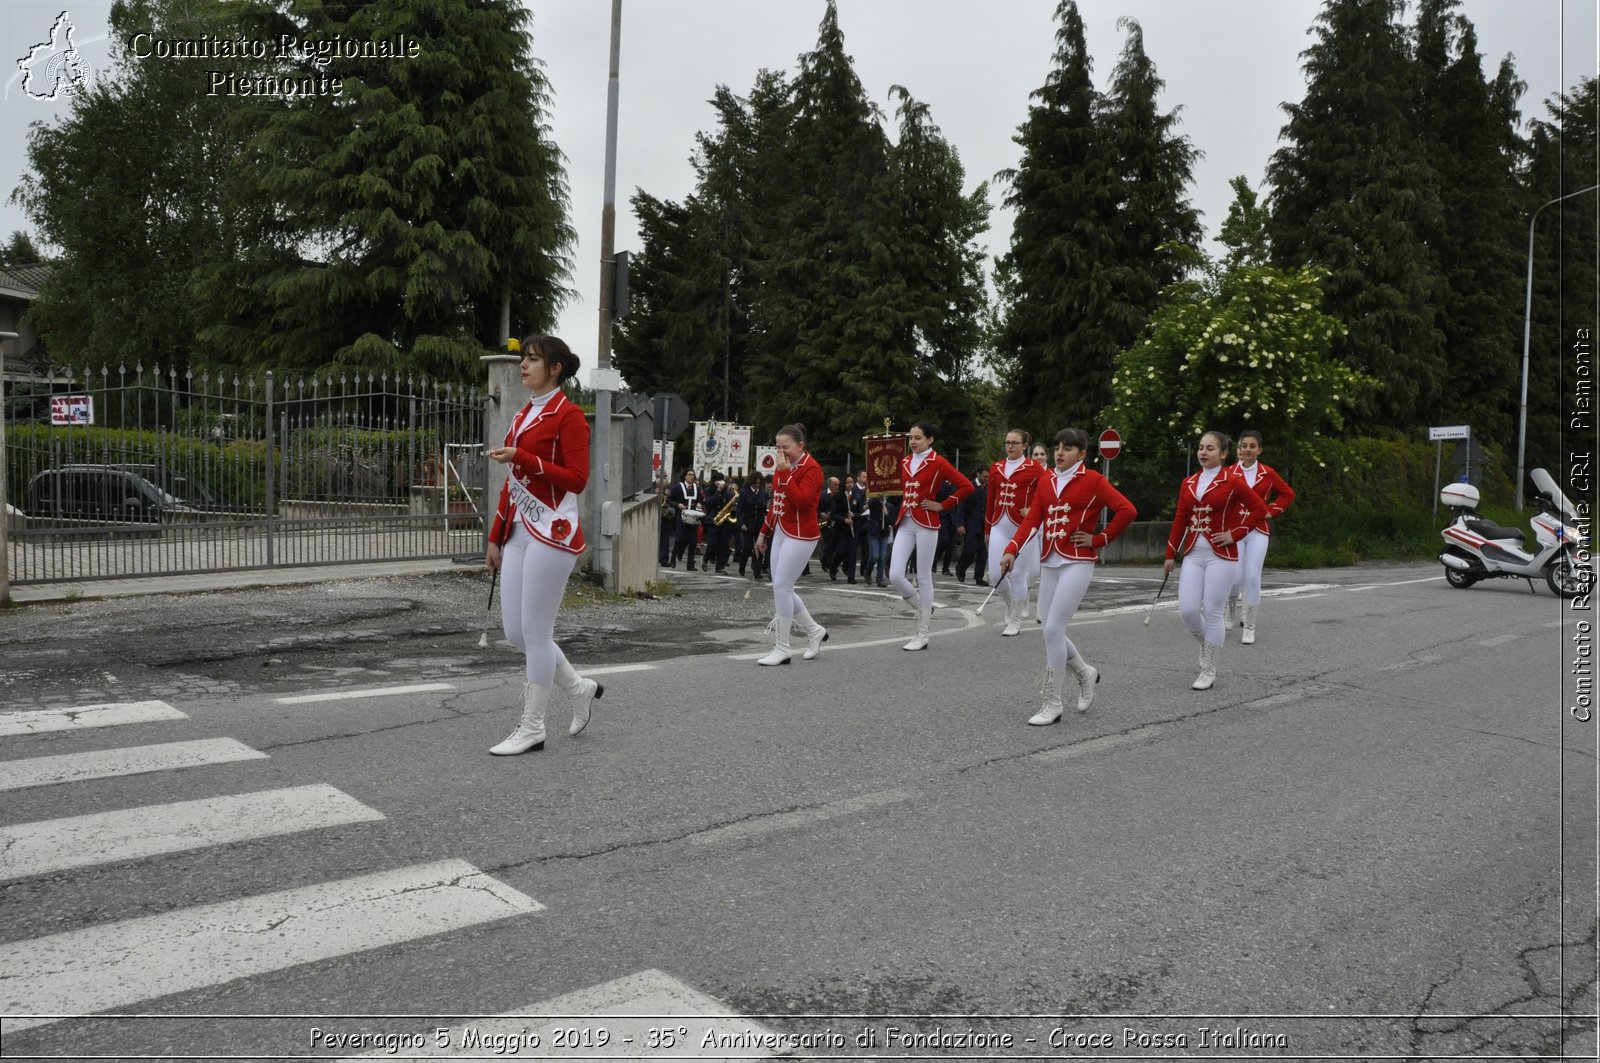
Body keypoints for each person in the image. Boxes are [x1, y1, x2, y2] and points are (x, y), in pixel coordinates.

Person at [484, 335, 604, 755]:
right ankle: (578, 687)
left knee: (537, 631)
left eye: (532, 360)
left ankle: (533, 726)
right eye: (522, 359)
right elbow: (511, 484)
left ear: (554, 368)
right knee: (516, 632)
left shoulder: (569, 416)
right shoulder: (522, 414)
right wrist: (496, 537)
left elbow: (576, 479)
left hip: (553, 531)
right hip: (518, 531)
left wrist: (524, 458)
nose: (523, 366)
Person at [999, 428, 1136, 725]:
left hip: (1078, 561)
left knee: (1052, 630)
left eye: (1069, 448)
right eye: (1058, 447)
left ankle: (1053, 703)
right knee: (1051, 629)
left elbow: (1127, 510)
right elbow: (1033, 519)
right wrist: (1012, 549)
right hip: (1050, 560)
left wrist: (1099, 539)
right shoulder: (1046, 480)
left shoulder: (1094, 480)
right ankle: (1085, 672)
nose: (1061, 453)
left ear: (1082, 454)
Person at [1163, 430, 1271, 691]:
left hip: (1221, 555)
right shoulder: (1188, 482)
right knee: (1188, 610)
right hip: (1193, 553)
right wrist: (1169, 554)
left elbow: (1258, 509)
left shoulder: (1232, 481)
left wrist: (1235, 533)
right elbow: (1180, 519)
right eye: (1201, 447)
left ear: (1223, 454)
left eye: (1210, 449)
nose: (1203, 452)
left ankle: (1208, 668)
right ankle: (1207, 645)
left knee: (1212, 611)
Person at [888, 422, 973, 651]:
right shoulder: (905, 461)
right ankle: (923, 607)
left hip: (926, 523)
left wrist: (942, 505)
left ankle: (923, 632)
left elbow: (965, 486)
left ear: (930, 440)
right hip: (905, 521)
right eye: (911, 438)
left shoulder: (938, 462)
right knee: (895, 574)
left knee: (924, 577)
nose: (913, 442)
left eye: (918, 438)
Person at [754, 423, 829, 665]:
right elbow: (778, 502)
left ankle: (783, 647)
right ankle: (814, 630)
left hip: (802, 534)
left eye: (785, 447)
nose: (781, 452)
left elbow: (801, 502)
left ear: (801, 446)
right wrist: (763, 532)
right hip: (782, 531)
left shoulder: (813, 470)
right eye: (778, 447)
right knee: (781, 586)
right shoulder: (783, 466)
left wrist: (785, 472)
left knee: (783, 588)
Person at [1226, 430, 1297, 645]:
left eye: (1252, 446)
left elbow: (1288, 494)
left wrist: (1271, 510)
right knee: (1235, 577)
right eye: (1243, 445)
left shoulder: (1267, 472)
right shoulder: (1228, 472)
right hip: (1235, 530)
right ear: (1239, 449)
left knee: (1252, 577)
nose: (1247, 449)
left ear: (1259, 450)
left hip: (1257, 530)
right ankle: (1230, 609)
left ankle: (1250, 625)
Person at [985, 429, 1046, 634]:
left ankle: (1016, 619)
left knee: (1018, 574)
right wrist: (987, 528)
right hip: (999, 525)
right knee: (995, 575)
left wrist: (1034, 509)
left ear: (1025, 445)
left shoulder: (1035, 468)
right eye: (1007, 442)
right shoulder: (996, 467)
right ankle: (1012, 603)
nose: (1010, 446)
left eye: (1014, 442)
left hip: (1024, 527)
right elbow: (990, 500)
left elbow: (1048, 492)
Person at [735, 472, 770, 580]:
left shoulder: (764, 493)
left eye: (759, 483)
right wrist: (741, 524)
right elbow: (739, 509)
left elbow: (765, 509)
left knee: (759, 548)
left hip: (759, 524)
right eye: (756, 483)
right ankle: (742, 567)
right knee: (747, 547)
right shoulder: (744, 492)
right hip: (747, 524)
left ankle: (757, 571)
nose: (757, 486)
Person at [668, 468, 704, 570]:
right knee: (679, 539)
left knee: (693, 541)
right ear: (685, 476)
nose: (692, 476)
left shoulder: (696, 488)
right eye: (689, 474)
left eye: (693, 475)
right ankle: (673, 558)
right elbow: (670, 500)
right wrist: (677, 504)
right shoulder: (678, 488)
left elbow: (700, 499)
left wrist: (699, 503)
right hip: (681, 515)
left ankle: (690, 565)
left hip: (693, 516)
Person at [956, 470, 988, 584]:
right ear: (978, 474)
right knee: (970, 549)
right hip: (970, 524)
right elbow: (961, 506)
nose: (986, 479)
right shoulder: (969, 486)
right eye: (984, 476)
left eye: (988, 477)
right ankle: (961, 569)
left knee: (983, 553)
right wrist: (960, 524)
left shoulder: (987, 488)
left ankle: (979, 577)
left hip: (983, 526)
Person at [701, 475, 734, 573]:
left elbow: (729, 505)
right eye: (718, 481)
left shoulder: (727, 493)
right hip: (712, 520)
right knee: (712, 543)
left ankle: (719, 567)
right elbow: (709, 503)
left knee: (723, 544)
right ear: (714, 482)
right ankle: (706, 558)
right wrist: (718, 491)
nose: (721, 483)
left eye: (722, 481)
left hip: (724, 521)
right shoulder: (708, 491)